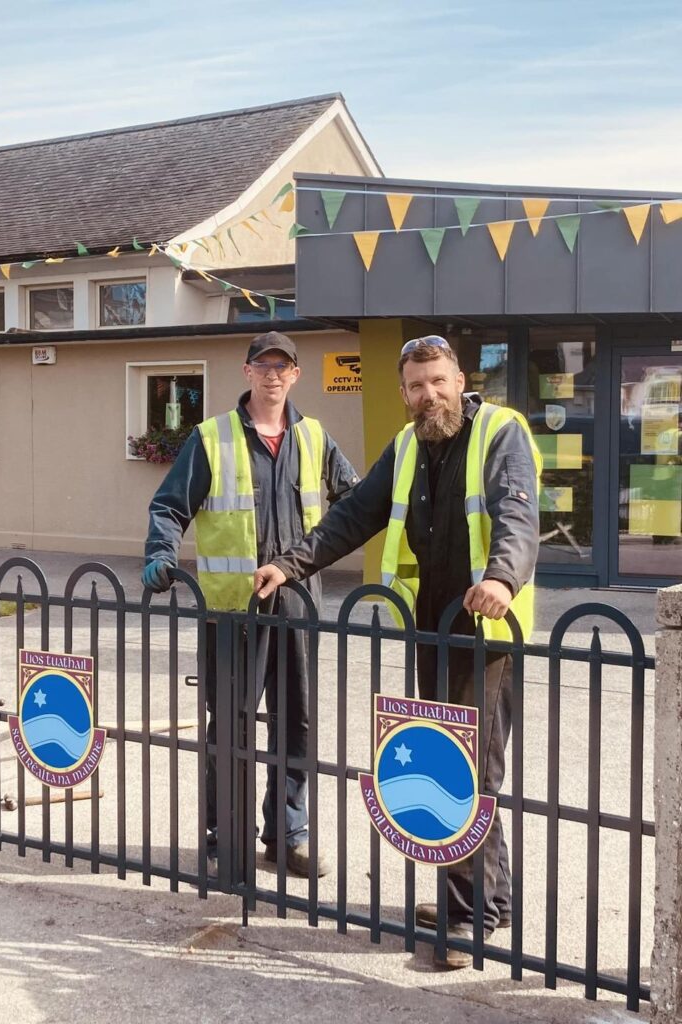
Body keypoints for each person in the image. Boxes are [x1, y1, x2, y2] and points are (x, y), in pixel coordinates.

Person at [253, 335, 540, 966]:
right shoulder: (409, 444)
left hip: (484, 634)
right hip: (429, 629)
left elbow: (518, 513)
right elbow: (353, 514)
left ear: (460, 378)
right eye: (416, 385)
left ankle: (467, 922)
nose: (429, 394)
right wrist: (290, 564)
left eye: (438, 380)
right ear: (403, 391)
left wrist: (501, 576)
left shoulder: (500, 432)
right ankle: (491, 898)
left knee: (466, 771)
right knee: (455, 761)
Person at [142, 331, 358, 877]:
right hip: (233, 609)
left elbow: (355, 503)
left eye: (281, 366)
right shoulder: (211, 437)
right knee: (231, 723)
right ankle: (224, 834)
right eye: (262, 366)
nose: (272, 375)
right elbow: (169, 506)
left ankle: (288, 835)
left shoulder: (314, 439)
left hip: (295, 602)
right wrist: (160, 552)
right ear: (246, 372)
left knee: (295, 722)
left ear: (295, 375)